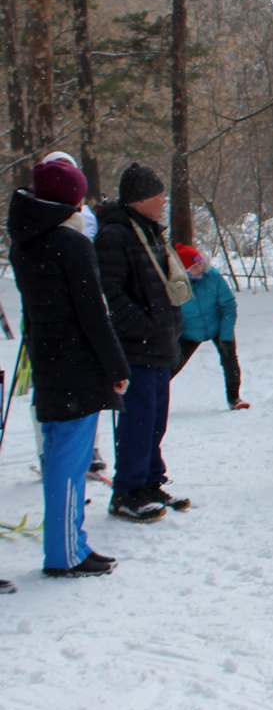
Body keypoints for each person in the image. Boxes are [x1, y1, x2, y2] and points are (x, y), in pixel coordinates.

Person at [10, 157, 131, 572]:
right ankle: (64, 552)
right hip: (76, 363)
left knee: (66, 453)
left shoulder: (26, 240)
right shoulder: (70, 244)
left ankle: (72, 542)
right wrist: (117, 366)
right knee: (69, 460)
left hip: (49, 358)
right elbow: (92, 313)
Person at [96, 163, 186, 518]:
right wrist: (145, 326)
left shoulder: (149, 232)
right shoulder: (115, 236)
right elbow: (110, 294)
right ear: (140, 199)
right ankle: (127, 491)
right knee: (137, 421)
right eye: (157, 195)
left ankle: (150, 481)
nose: (163, 200)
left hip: (159, 345)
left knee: (154, 421)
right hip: (137, 347)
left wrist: (168, 327)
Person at [172, 244, 247, 409]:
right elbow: (170, 314)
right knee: (171, 365)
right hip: (189, 331)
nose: (199, 268)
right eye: (193, 266)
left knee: (230, 360)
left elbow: (228, 305)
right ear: (183, 271)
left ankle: (235, 399)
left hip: (217, 326)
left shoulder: (212, 275)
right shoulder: (175, 285)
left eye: (200, 263)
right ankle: (151, 400)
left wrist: (226, 335)